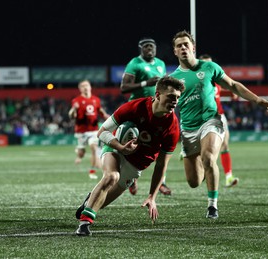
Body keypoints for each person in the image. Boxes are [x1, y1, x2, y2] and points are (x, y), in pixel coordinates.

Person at [169, 30, 268, 219]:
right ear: (175, 51)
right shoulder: (174, 79)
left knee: (209, 158)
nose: (183, 47)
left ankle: (212, 206)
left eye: (186, 44)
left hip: (211, 121)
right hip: (188, 129)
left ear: (193, 47)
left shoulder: (209, 67)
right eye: (179, 45)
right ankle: (202, 162)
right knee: (193, 181)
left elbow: (232, 85)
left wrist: (257, 99)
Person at [75, 76, 185, 236]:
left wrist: (152, 197)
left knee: (100, 202)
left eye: (177, 98)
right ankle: (84, 224)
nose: (175, 101)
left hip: (136, 165)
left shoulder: (173, 127)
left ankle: (89, 201)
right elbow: (102, 132)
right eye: (171, 97)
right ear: (158, 94)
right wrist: (121, 147)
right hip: (116, 148)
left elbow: (161, 165)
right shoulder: (135, 107)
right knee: (111, 177)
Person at [120, 37, 171, 196]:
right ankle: (131, 178)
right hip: (137, 110)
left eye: (152, 46)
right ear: (141, 49)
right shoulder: (135, 63)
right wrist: (145, 83)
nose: (150, 49)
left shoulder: (161, 64)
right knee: (134, 144)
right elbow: (124, 87)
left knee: (160, 147)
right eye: (146, 46)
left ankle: (161, 182)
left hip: (156, 110)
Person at [199, 53, 239, 187]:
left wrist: (232, 93)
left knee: (225, 145)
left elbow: (221, 92)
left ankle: (228, 176)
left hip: (220, 115)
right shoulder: (198, 81)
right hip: (204, 117)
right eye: (205, 64)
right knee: (205, 149)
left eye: (210, 64)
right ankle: (203, 171)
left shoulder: (217, 81)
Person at [68, 79, 110, 179]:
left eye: (87, 85)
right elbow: (71, 116)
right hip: (81, 131)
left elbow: (101, 111)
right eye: (82, 86)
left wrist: (106, 116)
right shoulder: (76, 101)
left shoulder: (96, 100)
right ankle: (78, 152)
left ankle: (92, 171)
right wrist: (74, 109)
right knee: (81, 154)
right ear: (80, 89)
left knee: (94, 148)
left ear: (90, 87)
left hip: (94, 130)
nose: (85, 87)